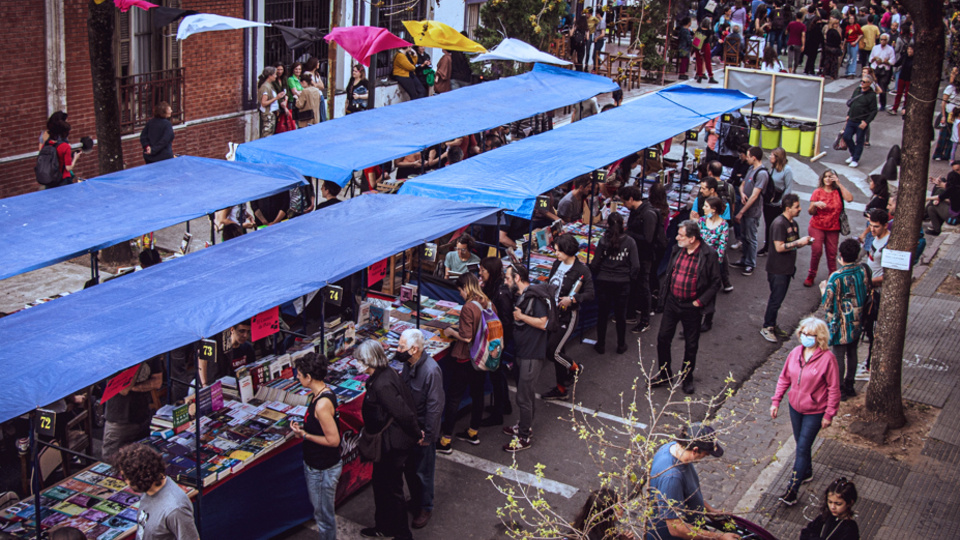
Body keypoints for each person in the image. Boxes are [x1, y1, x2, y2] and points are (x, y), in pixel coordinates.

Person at [770, 317, 841, 506]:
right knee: (801, 443)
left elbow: (834, 388)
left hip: (815, 411)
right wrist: (776, 401)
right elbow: (784, 378)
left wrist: (829, 414)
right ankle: (806, 471)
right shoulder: (795, 353)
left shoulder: (828, 359)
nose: (805, 337)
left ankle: (792, 489)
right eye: (803, 333)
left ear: (820, 337)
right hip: (795, 407)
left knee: (801, 447)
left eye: (810, 335)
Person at [654, 221, 721, 394]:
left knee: (691, 345)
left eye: (681, 235)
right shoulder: (677, 249)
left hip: (692, 306)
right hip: (673, 302)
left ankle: (687, 377)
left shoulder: (708, 254)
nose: (676, 238)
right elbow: (670, 272)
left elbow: (715, 282)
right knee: (663, 338)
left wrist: (700, 302)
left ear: (692, 238)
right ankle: (664, 373)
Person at [647, 423, 739, 540]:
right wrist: (719, 537)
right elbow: (676, 528)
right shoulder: (672, 478)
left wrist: (710, 511)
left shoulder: (671, 448)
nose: (705, 457)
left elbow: (689, 493)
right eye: (705, 454)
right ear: (695, 450)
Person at [438, 273, 494, 452]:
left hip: (466, 358)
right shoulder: (487, 302)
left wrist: (452, 332)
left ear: (465, 288)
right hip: (482, 357)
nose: (460, 294)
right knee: (478, 394)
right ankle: (473, 431)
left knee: (453, 397)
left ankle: (446, 440)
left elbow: (467, 337)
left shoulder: (469, 307)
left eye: (460, 291)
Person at [289, 352, 342, 540]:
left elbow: (333, 440)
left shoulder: (321, 404)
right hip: (318, 465)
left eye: (300, 374)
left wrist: (305, 435)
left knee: (324, 517)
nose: (297, 377)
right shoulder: (321, 393)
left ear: (309, 377)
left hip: (322, 469)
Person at [397, 329, 444, 529]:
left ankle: (425, 506)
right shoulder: (409, 364)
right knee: (410, 469)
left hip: (423, 431)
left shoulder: (431, 371)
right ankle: (416, 500)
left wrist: (428, 435)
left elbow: (435, 406)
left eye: (401, 347)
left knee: (423, 471)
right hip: (410, 428)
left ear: (414, 349)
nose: (398, 350)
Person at [542, 234, 595, 400]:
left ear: (568, 251)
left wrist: (572, 299)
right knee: (558, 350)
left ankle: (576, 368)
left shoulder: (582, 270)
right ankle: (561, 388)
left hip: (567, 316)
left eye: (558, 251)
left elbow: (590, 293)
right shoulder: (557, 263)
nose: (556, 254)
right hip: (553, 313)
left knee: (553, 351)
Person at [503, 265, 549, 452]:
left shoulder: (534, 297)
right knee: (527, 394)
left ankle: (523, 437)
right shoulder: (525, 295)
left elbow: (543, 323)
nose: (506, 282)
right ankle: (524, 426)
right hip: (524, 352)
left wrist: (521, 316)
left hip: (531, 354)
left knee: (524, 396)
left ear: (518, 278)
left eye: (508, 278)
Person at [820, 238, 871, 401]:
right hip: (857, 319)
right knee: (852, 353)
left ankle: (839, 387)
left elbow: (827, 304)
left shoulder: (836, 277)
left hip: (839, 323)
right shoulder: (862, 270)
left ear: (840, 255)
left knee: (838, 355)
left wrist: (823, 290)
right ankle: (850, 384)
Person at [115, 444, 200, 540]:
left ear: (141, 477)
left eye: (125, 477)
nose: (125, 482)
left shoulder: (175, 509)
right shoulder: (148, 489)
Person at [760, 194, 814, 343]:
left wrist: (803, 242)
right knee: (776, 299)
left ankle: (772, 323)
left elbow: (793, 242)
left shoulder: (793, 223)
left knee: (779, 298)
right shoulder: (779, 224)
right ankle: (767, 326)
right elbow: (779, 247)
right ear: (788, 208)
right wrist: (799, 243)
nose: (800, 209)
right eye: (797, 207)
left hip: (787, 268)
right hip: (778, 269)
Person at [590, 213, 639, 354]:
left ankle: (601, 344)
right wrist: (628, 278)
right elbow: (636, 266)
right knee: (620, 315)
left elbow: (595, 263)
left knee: (602, 314)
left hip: (604, 282)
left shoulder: (603, 241)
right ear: (623, 224)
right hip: (622, 283)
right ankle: (621, 344)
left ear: (608, 225)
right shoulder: (630, 242)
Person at [102, 357, 163, 459]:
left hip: (142, 416)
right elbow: (124, 389)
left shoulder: (151, 353)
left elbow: (157, 382)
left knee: (140, 460)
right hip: (119, 420)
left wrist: (136, 388)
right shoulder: (116, 357)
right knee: (111, 462)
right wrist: (138, 361)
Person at [479, 257, 514, 427]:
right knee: (497, 374)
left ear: (490, 271)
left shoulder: (501, 292)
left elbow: (506, 321)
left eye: (483, 270)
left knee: (496, 375)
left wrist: (499, 343)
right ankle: (504, 405)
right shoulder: (492, 287)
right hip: (496, 338)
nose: (480, 273)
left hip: (497, 340)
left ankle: (498, 412)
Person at [621, 185, 660, 333]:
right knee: (635, 284)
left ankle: (645, 319)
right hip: (636, 254)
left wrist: (628, 234)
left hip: (644, 256)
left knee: (644, 286)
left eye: (625, 202)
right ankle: (631, 313)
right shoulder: (636, 211)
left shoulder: (648, 214)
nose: (624, 205)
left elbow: (648, 239)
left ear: (631, 199)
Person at [806, 169, 853, 287]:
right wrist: (815, 204)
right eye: (825, 176)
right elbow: (810, 211)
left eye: (830, 177)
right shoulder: (817, 192)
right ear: (822, 178)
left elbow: (850, 198)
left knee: (832, 254)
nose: (827, 179)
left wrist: (839, 183)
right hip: (817, 226)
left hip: (833, 228)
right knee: (816, 251)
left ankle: (832, 277)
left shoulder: (838, 191)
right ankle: (811, 275)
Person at [731, 146, 769, 276]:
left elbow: (755, 195)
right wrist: (742, 194)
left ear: (754, 157)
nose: (746, 158)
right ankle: (744, 259)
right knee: (744, 236)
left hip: (752, 212)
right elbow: (742, 185)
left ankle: (750, 263)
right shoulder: (750, 169)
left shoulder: (762, 173)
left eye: (748, 155)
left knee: (751, 237)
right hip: (745, 209)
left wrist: (742, 212)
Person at [698, 197, 732, 330]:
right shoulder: (701, 221)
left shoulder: (723, 225)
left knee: (710, 292)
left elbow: (721, 248)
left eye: (706, 206)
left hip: (713, 264)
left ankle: (708, 320)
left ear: (714, 209)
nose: (703, 208)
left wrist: (713, 265)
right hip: (699, 261)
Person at [759, 147, 794, 257]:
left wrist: (782, 203)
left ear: (778, 157)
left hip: (778, 204)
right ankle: (767, 246)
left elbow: (788, 188)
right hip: (769, 202)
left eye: (772, 155)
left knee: (777, 226)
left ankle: (776, 247)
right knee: (768, 225)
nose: (769, 157)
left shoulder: (787, 170)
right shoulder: (772, 168)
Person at [841, 76, 877, 168]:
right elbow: (853, 103)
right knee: (846, 136)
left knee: (859, 141)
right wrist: (848, 114)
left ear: (869, 83)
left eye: (864, 82)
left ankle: (856, 159)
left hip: (861, 122)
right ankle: (853, 154)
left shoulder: (872, 95)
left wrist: (866, 122)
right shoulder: (857, 90)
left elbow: (873, 111)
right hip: (852, 119)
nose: (862, 83)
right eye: (861, 81)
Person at [40, 112, 81, 188]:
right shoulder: (65, 146)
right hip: (63, 180)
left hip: (50, 180)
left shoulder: (47, 143)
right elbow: (68, 168)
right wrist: (75, 158)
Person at [925, 162, 960, 235]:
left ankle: (923, 215)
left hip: (955, 214)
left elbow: (943, 195)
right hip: (954, 208)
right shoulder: (955, 185)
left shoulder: (954, 188)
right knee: (931, 208)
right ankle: (936, 229)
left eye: (958, 170)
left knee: (937, 195)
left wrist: (930, 199)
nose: (956, 173)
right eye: (955, 171)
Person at [868, 33, 895, 110]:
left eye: (884, 40)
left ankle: (883, 104)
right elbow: (870, 59)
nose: (882, 41)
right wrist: (875, 59)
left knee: (882, 87)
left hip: (884, 70)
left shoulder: (890, 49)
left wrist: (884, 62)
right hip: (875, 69)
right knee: (872, 87)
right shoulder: (875, 48)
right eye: (881, 39)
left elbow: (892, 61)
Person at [258, 66, 285, 137]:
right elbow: (263, 103)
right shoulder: (266, 87)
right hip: (268, 114)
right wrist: (276, 98)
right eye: (275, 74)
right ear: (270, 76)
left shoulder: (270, 85)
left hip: (272, 114)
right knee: (267, 134)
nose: (276, 76)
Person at [889, 44, 913, 116]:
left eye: (911, 49)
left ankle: (904, 109)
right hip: (902, 77)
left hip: (909, 78)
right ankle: (894, 108)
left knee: (907, 95)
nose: (909, 51)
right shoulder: (904, 57)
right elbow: (897, 63)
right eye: (908, 49)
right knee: (899, 93)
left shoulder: (915, 59)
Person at [694, 17, 718, 83]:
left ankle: (699, 75)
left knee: (698, 61)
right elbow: (712, 38)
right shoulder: (709, 31)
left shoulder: (699, 29)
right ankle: (711, 76)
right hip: (706, 45)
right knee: (708, 61)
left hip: (698, 44)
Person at [842, 11, 862, 77]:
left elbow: (861, 34)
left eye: (852, 19)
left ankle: (852, 72)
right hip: (848, 43)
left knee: (853, 58)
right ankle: (847, 71)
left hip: (854, 43)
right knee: (848, 58)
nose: (851, 20)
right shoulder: (847, 27)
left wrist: (856, 41)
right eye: (850, 19)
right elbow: (846, 36)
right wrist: (843, 44)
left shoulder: (857, 26)